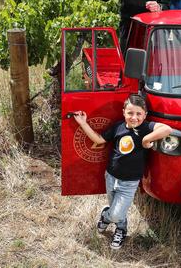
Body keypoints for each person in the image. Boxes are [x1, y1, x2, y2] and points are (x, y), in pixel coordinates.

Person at [72, 94, 172, 249]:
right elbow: (98, 140)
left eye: (139, 114)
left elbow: (167, 129)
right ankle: (121, 230)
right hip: (111, 176)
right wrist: (83, 123)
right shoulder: (118, 127)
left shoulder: (146, 128)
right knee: (118, 213)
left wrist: (146, 140)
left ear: (145, 115)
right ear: (124, 112)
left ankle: (106, 216)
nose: (134, 117)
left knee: (116, 213)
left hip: (129, 182)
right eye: (130, 113)